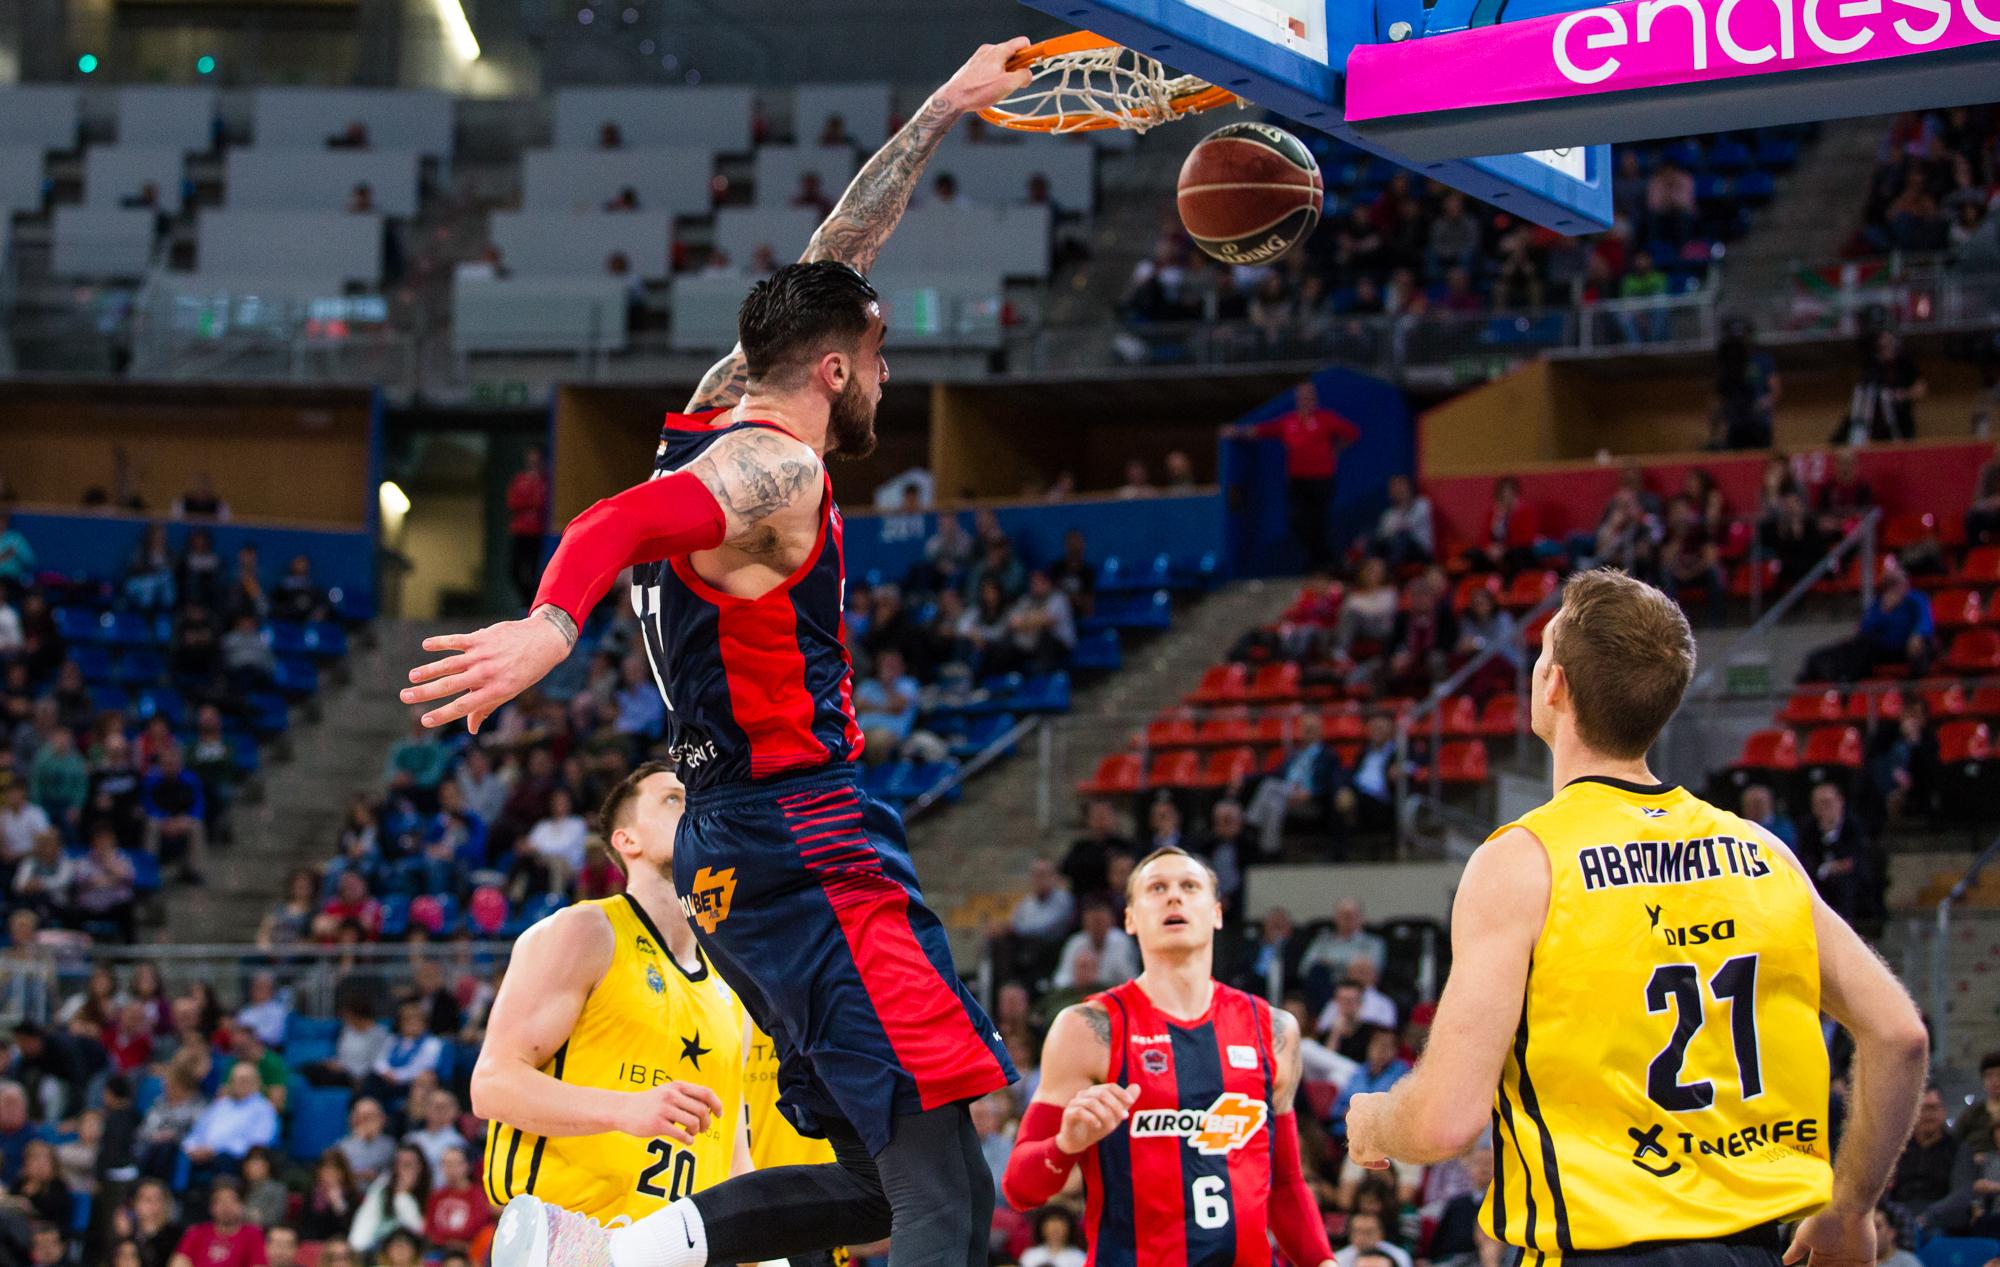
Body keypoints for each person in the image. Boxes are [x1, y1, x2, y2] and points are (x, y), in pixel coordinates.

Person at [409, 44, 1040, 1267]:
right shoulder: (776, 467)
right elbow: (614, 524)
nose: (888, 380)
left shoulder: (722, 402)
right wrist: (551, 622)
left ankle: (625, 1254)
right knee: (944, 1193)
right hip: (806, 830)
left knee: (865, 1178)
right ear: (837, 368)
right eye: (882, 360)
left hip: (736, 844)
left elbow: (836, 258)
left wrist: (940, 111)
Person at [1343, 568, 1928, 1267]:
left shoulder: (1525, 862)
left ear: (1554, 685)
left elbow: (1445, 1120)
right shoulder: (1762, 852)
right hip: (1747, 1251)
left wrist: (1375, 1119)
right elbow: (1899, 1035)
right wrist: (1852, 1206)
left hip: (1599, 1249)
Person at [1000, 847, 1336, 1267]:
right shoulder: (1086, 1028)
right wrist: (1067, 1143)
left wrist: (1324, 1261)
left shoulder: (1275, 1029)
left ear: (1216, 913)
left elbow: (1285, 1184)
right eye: (1157, 888)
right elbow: (1019, 1188)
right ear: (1130, 919)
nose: (1174, 897)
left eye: (1189, 887)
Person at [1225, 381, 1362, 571]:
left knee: (1318, 522)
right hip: (1297, 481)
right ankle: (1323, 558)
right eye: (1301, 397)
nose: (1305, 400)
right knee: (1296, 522)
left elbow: (1352, 432)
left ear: (1315, 399)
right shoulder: (1289, 421)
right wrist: (1236, 431)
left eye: (1309, 396)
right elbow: (1263, 430)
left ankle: (1321, 563)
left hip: (1322, 479)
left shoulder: (1325, 419)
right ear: (1297, 399)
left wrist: (1336, 449)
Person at [1800, 569, 1935, 684]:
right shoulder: (1879, 603)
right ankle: (1821, 678)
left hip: (1906, 647)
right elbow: (1865, 628)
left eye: (1897, 582)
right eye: (1890, 583)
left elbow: (1925, 621)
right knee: (1848, 648)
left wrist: (1917, 633)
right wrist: (1884, 611)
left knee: (1921, 647)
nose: (1894, 587)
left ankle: (1919, 689)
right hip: (1881, 650)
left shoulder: (1915, 598)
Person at [1887, 1087, 1956, 1215]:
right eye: (1923, 1109)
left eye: (1933, 1108)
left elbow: (1959, 1195)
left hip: (1940, 1218)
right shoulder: (1897, 1147)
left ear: (1944, 1112)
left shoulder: (1957, 1147)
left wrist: (1926, 1218)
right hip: (1899, 1214)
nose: (1928, 1115)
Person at [166, 1180, 263, 1267]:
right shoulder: (197, 1232)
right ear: (211, 1207)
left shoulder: (253, 1234)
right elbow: (178, 1262)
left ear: (242, 1205)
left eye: (232, 1200)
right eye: (220, 1201)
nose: (226, 1206)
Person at [508, 447, 550, 610]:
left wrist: (531, 502)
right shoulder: (520, 480)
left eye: (536, 459)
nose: (533, 462)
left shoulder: (547, 481)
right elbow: (514, 502)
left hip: (539, 533)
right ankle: (525, 602)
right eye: (530, 458)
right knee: (515, 571)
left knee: (535, 570)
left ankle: (532, 605)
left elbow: (544, 503)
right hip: (521, 532)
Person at [1368, 474, 1434, 567]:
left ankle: (1390, 569)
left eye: (1401, 485)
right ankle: (1373, 568)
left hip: (1421, 553)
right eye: (1394, 486)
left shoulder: (1422, 504)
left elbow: (1407, 527)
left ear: (1410, 487)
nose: (1398, 490)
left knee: (1402, 536)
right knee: (1371, 535)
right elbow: (1383, 536)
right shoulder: (1388, 514)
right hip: (1394, 550)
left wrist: (1404, 506)